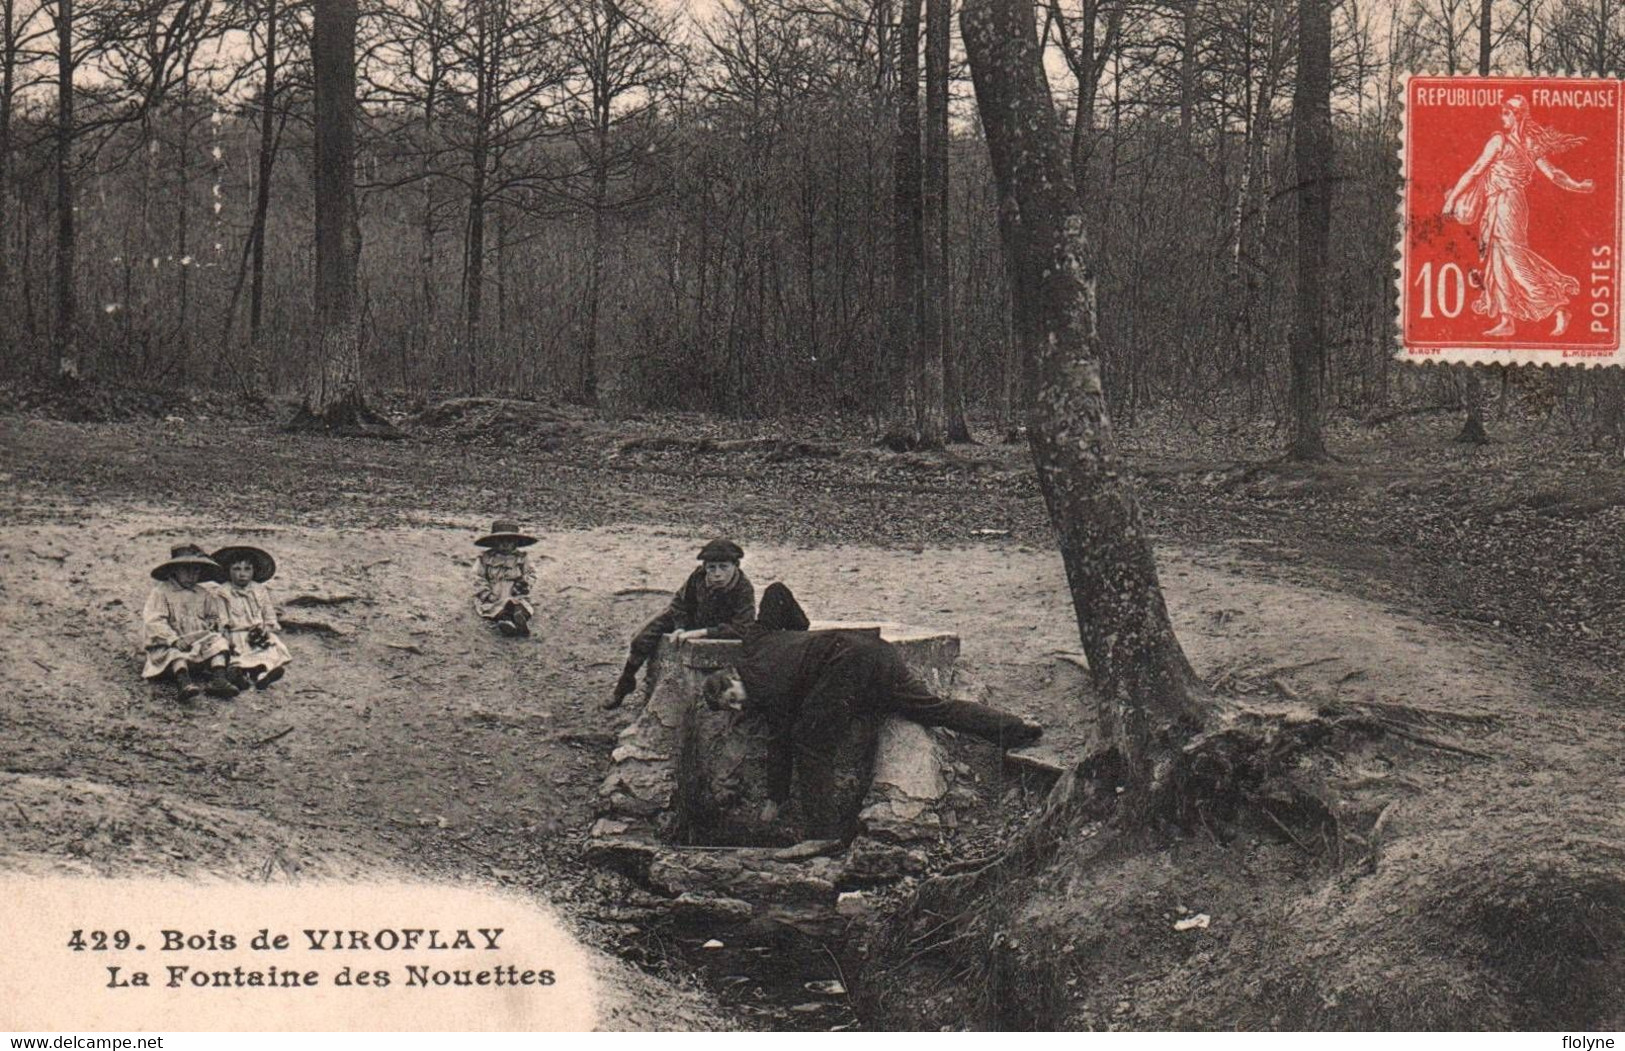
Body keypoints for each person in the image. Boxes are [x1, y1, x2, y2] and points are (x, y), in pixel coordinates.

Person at [702, 583, 1042, 838]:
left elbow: (780, 743)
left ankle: (823, 836)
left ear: (733, 675)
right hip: (875, 653)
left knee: (808, 742)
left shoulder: (767, 693)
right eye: (731, 706)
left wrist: (775, 798)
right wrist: (799, 633)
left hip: (844, 667)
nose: (738, 706)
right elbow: (776, 593)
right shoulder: (754, 641)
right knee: (931, 709)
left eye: (733, 696)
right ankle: (1016, 728)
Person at [1442, 94, 1595, 338]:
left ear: (1518, 116)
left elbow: (1476, 171)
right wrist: (1578, 186)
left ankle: (1557, 305)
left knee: (1513, 258)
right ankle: (1507, 319)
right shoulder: (1524, 143)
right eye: (1502, 112)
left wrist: (1451, 200)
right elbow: (1552, 174)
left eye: (1507, 113)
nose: (1502, 117)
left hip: (1507, 204)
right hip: (1500, 203)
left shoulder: (1503, 142)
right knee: (1498, 260)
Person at [606, 538, 755, 709]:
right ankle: (624, 684)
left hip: (717, 626)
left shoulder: (743, 588)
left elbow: (743, 627)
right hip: (691, 619)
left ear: (736, 566)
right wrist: (680, 627)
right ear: (705, 567)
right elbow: (679, 603)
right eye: (711, 567)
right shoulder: (698, 576)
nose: (717, 574)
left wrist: (704, 632)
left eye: (724, 567)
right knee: (642, 638)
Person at [141, 544, 237, 701]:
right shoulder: (161, 592)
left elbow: (212, 615)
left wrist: (214, 623)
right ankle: (183, 681)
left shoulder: (203, 593)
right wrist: (173, 639)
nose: (192, 575)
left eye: (196, 570)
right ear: (175, 570)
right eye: (186, 569)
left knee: (219, 642)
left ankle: (218, 679)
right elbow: (154, 620)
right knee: (174, 654)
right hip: (174, 643)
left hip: (199, 643)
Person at [211, 545, 293, 691]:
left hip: (257, 634)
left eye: (247, 569)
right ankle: (239, 676)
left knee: (269, 650)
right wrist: (227, 636)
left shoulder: (259, 589)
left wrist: (266, 629)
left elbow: (269, 615)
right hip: (236, 634)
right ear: (228, 571)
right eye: (236, 569)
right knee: (237, 656)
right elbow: (221, 619)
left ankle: (263, 676)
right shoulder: (222, 592)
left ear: (254, 571)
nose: (242, 574)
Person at [473, 520, 538, 637]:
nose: (505, 544)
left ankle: (520, 620)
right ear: (494, 542)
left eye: (509, 541)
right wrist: (486, 593)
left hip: (514, 591)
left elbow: (531, 573)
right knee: (496, 608)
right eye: (501, 541)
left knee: (519, 605)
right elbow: (478, 577)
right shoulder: (486, 557)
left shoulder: (522, 558)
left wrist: (523, 584)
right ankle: (506, 622)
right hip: (494, 592)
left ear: (515, 543)